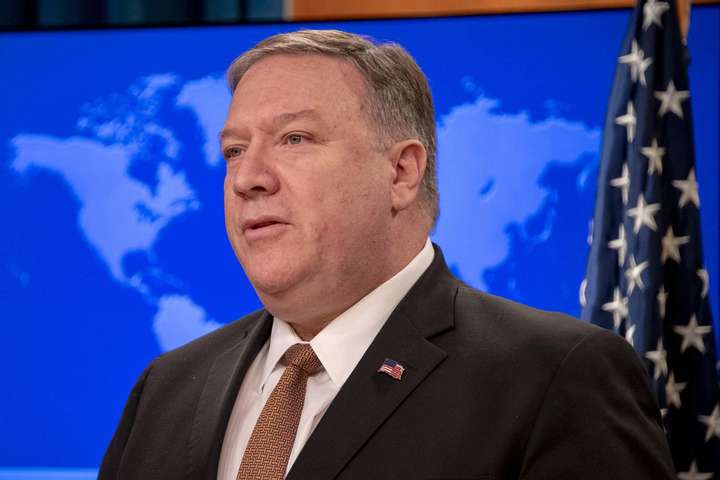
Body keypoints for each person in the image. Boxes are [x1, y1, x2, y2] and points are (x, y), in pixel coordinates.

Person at [99, 29, 675, 479]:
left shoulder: (555, 377)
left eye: (295, 138)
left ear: (401, 172)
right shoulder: (166, 388)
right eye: (233, 150)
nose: (247, 177)